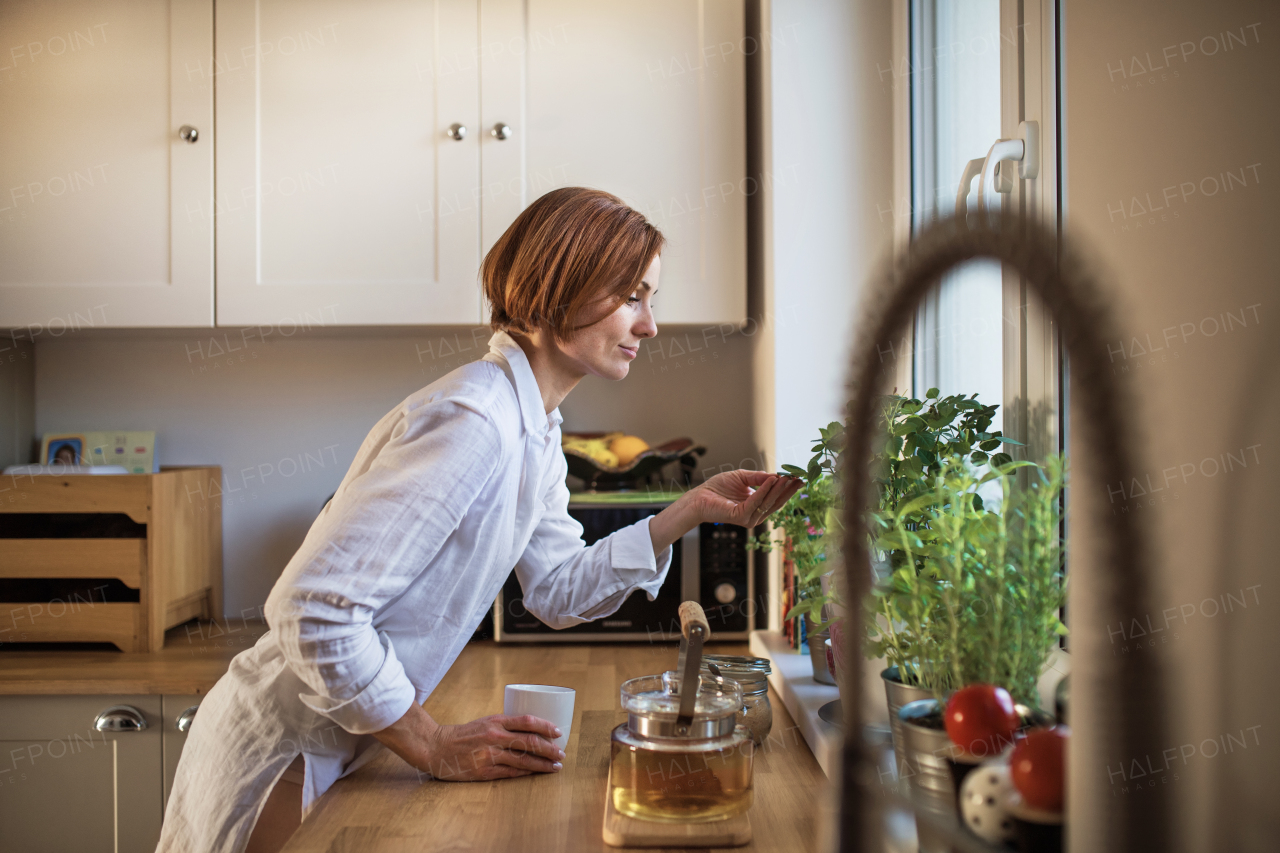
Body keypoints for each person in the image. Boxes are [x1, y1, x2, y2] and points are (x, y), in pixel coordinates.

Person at [157, 187, 801, 853]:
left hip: (333, 739)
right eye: (633, 296)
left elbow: (554, 590)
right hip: (285, 748)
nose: (650, 325)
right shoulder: (475, 421)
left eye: (651, 298)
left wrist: (690, 509)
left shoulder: (534, 425)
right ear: (563, 288)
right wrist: (431, 742)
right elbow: (310, 610)